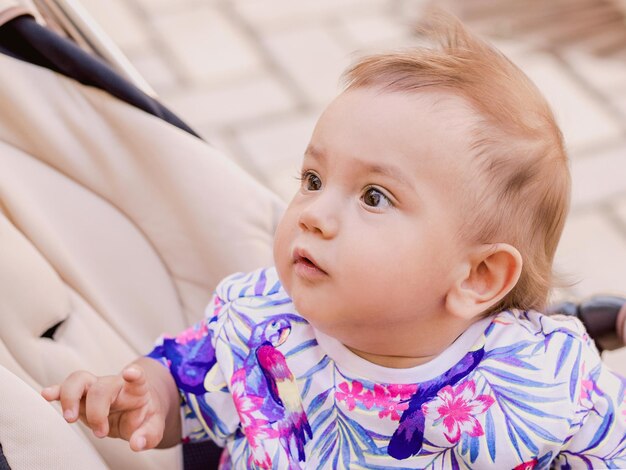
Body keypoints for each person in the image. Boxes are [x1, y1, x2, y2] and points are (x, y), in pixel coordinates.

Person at [41, 14, 626, 469]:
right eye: (313, 180)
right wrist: (155, 400)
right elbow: (198, 385)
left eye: (374, 196)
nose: (314, 214)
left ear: (476, 277)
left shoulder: (539, 381)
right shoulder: (266, 325)